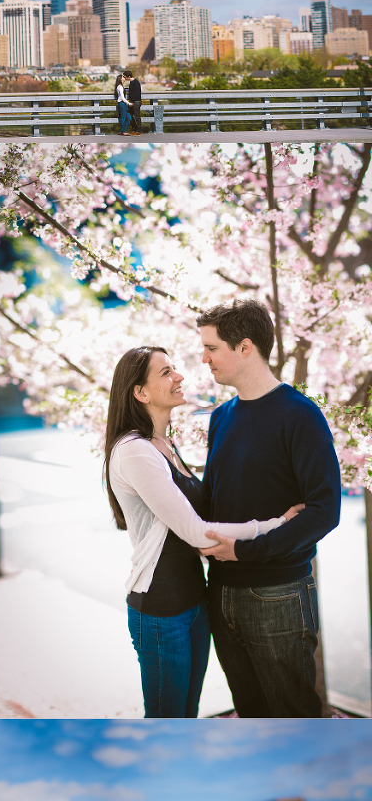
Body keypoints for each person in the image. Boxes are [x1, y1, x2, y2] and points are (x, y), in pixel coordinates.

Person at [105, 346, 301, 717]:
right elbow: (196, 532)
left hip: (195, 602)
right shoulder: (135, 452)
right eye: (166, 372)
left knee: (187, 714)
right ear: (140, 393)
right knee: (167, 720)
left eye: (174, 368)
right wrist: (277, 524)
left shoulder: (163, 445)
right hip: (162, 612)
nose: (179, 376)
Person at [197, 299, 341, 717]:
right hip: (220, 591)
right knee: (251, 714)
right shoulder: (221, 416)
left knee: (294, 717)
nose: (204, 359)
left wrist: (245, 551)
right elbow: (215, 499)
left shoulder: (300, 416)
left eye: (211, 348)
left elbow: (323, 510)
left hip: (277, 595)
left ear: (245, 348)